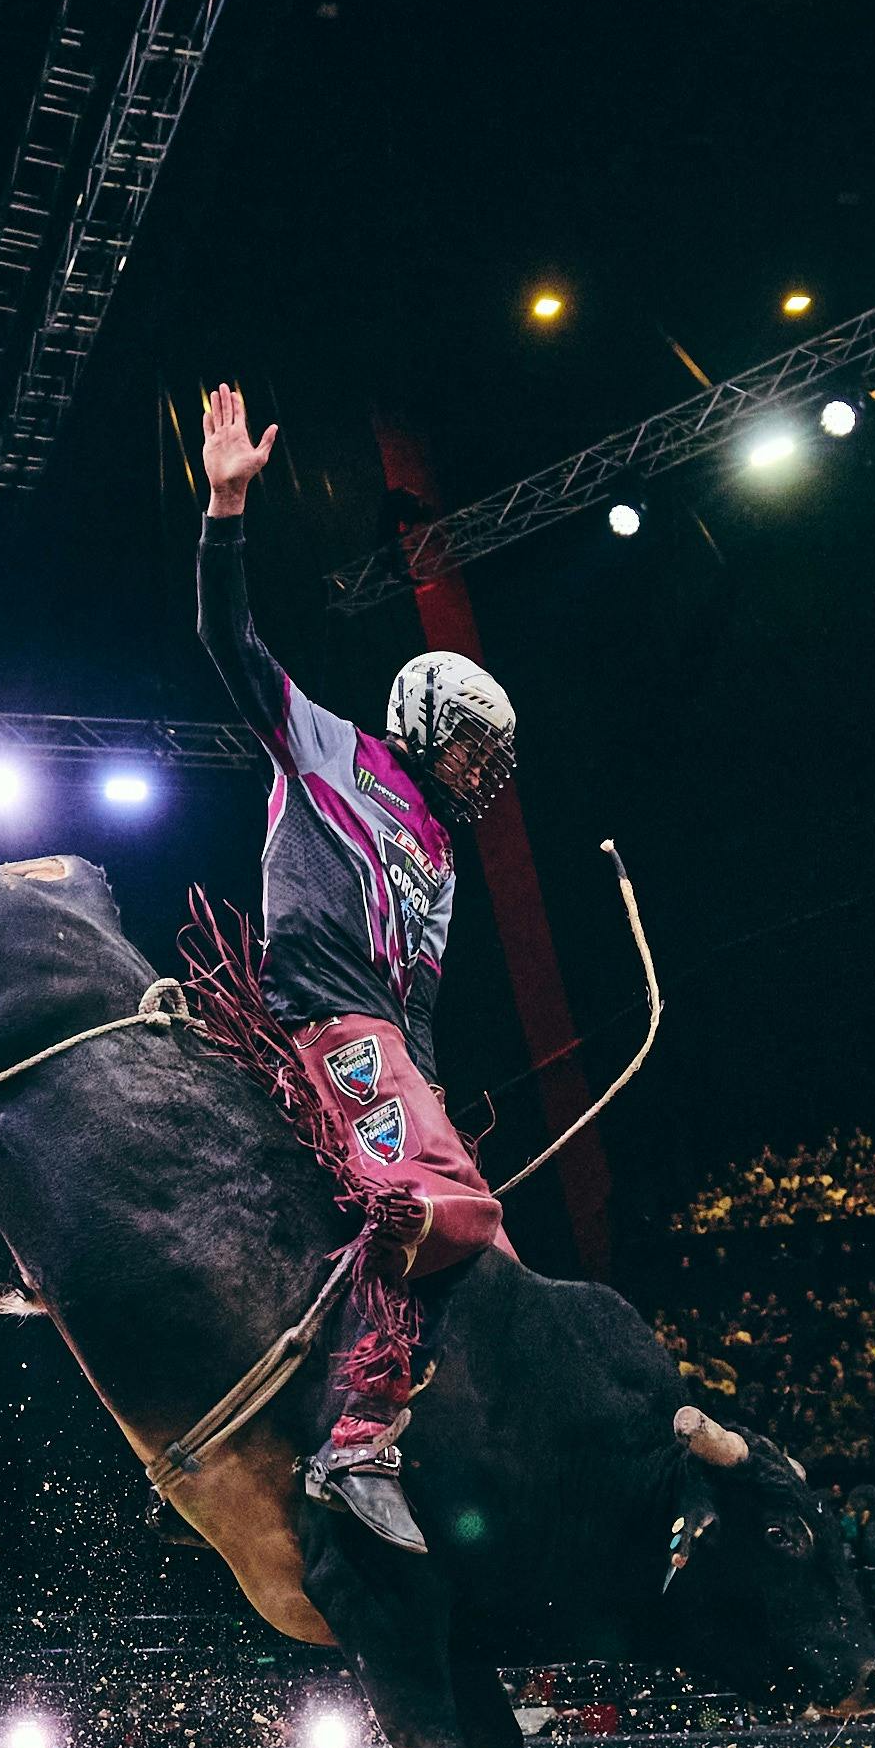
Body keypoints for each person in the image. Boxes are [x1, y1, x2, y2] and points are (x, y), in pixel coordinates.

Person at [194, 380, 517, 1551]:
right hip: (323, 1017)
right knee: (432, 1196)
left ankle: (437, 1427)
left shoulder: (439, 857)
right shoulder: (333, 748)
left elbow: (420, 1019)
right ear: (429, 721)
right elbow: (225, 645)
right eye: (477, 747)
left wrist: (439, 1124)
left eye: (498, 762)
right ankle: (356, 1438)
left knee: (482, 1233)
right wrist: (225, 509)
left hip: (383, 1050)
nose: (487, 774)